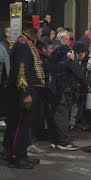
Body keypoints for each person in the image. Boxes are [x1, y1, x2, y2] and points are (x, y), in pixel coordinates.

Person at [5, 15, 45, 169]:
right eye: (39, 27)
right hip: (23, 93)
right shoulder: (23, 45)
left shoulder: (27, 43)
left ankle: (17, 153)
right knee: (20, 125)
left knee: (22, 125)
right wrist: (25, 93)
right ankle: (18, 157)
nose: (41, 30)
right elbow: (21, 71)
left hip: (27, 91)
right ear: (32, 28)